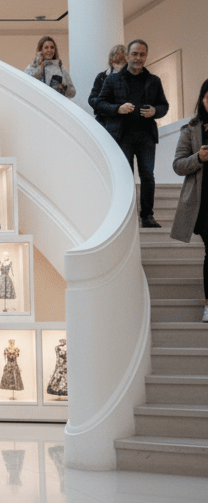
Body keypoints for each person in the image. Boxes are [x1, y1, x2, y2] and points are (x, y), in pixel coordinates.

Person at [95, 39, 169, 227]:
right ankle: (125, 217)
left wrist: (155, 111)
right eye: (134, 54)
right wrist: (117, 109)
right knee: (125, 177)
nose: (138, 58)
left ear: (146, 57)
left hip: (146, 137)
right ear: (127, 56)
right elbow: (99, 103)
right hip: (122, 136)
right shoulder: (112, 80)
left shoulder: (154, 81)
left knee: (147, 176)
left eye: (142, 54)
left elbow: (164, 106)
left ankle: (147, 216)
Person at [170, 77, 208, 323]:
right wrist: (199, 157)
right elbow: (178, 165)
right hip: (203, 201)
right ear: (202, 99)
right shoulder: (192, 129)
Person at [89, 44, 127, 127]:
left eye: (123, 60)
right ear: (111, 60)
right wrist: (107, 105)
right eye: (118, 60)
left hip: (125, 125)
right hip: (104, 122)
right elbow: (92, 99)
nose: (121, 64)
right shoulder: (102, 77)